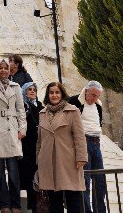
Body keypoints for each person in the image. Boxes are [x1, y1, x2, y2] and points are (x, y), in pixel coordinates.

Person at [37, 81, 88, 213]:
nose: (54, 95)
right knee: (54, 202)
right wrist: (39, 160)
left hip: (68, 161)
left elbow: (79, 137)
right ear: (48, 95)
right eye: (51, 92)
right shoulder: (42, 114)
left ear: (62, 94)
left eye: (57, 92)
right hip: (48, 162)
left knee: (74, 199)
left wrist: (81, 157)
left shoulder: (72, 111)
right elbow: (40, 140)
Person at [0, 58, 26, 213]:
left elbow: (21, 109)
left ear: (9, 71)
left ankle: (15, 204)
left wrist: (22, 128)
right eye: (0, 68)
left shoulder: (16, 87)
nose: (3, 70)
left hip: (12, 129)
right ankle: (4, 205)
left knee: (14, 170)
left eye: (6, 68)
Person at [69, 80, 106, 213]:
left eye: (97, 96)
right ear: (86, 90)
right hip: (82, 143)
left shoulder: (98, 105)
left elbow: (99, 124)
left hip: (96, 143)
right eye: (93, 95)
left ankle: (100, 210)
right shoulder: (74, 101)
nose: (94, 98)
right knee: (85, 180)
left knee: (100, 180)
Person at [18, 82, 43, 213]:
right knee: (29, 179)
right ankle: (32, 206)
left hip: (40, 148)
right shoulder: (22, 106)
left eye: (34, 89)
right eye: (29, 90)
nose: (32, 91)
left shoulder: (40, 107)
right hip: (27, 148)